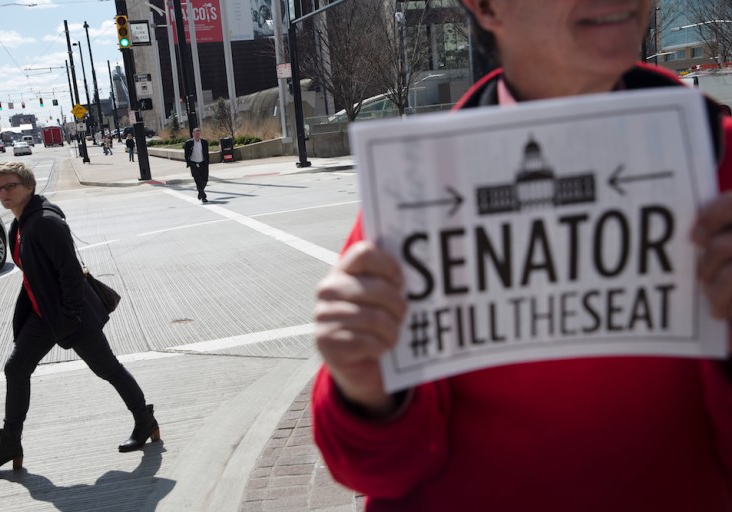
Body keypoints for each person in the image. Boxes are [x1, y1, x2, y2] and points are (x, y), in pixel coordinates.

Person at [312, 1, 732, 510]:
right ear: (486, 7)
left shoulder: (721, 164)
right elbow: (371, 468)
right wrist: (363, 390)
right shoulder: (418, 188)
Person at [0, 162, 160, 473]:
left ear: (29, 187)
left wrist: (71, 316)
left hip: (69, 314)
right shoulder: (19, 225)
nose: (3, 193)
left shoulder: (45, 223)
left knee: (107, 368)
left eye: (10, 187)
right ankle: (10, 444)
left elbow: (69, 273)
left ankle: (145, 420)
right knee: (16, 369)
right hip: (41, 314)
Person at [183, 127, 209, 203]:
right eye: (196, 133)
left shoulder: (204, 142)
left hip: (203, 163)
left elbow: (206, 153)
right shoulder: (188, 143)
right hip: (193, 164)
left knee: (205, 179)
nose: (197, 135)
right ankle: (203, 196)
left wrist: (207, 162)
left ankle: (200, 192)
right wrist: (189, 163)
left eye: (198, 133)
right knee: (197, 180)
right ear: (193, 134)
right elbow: (186, 154)